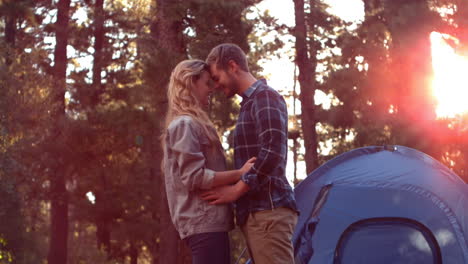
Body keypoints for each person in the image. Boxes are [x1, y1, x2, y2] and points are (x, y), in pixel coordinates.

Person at [201, 43, 298, 264]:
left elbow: (273, 151)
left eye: (216, 78)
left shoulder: (265, 97)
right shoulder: (250, 103)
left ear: (232, 66)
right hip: (258, 214)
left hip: (268, 210)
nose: (215, 86)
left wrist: (236, 190)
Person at [161, 59, 256, 264]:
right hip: (202, 223)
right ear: (190, 83)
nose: (211, 89)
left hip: (211, 223)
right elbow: (194, 177)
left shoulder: (193, 123)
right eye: (206, 83)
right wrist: (239, 174)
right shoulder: (184, 124)